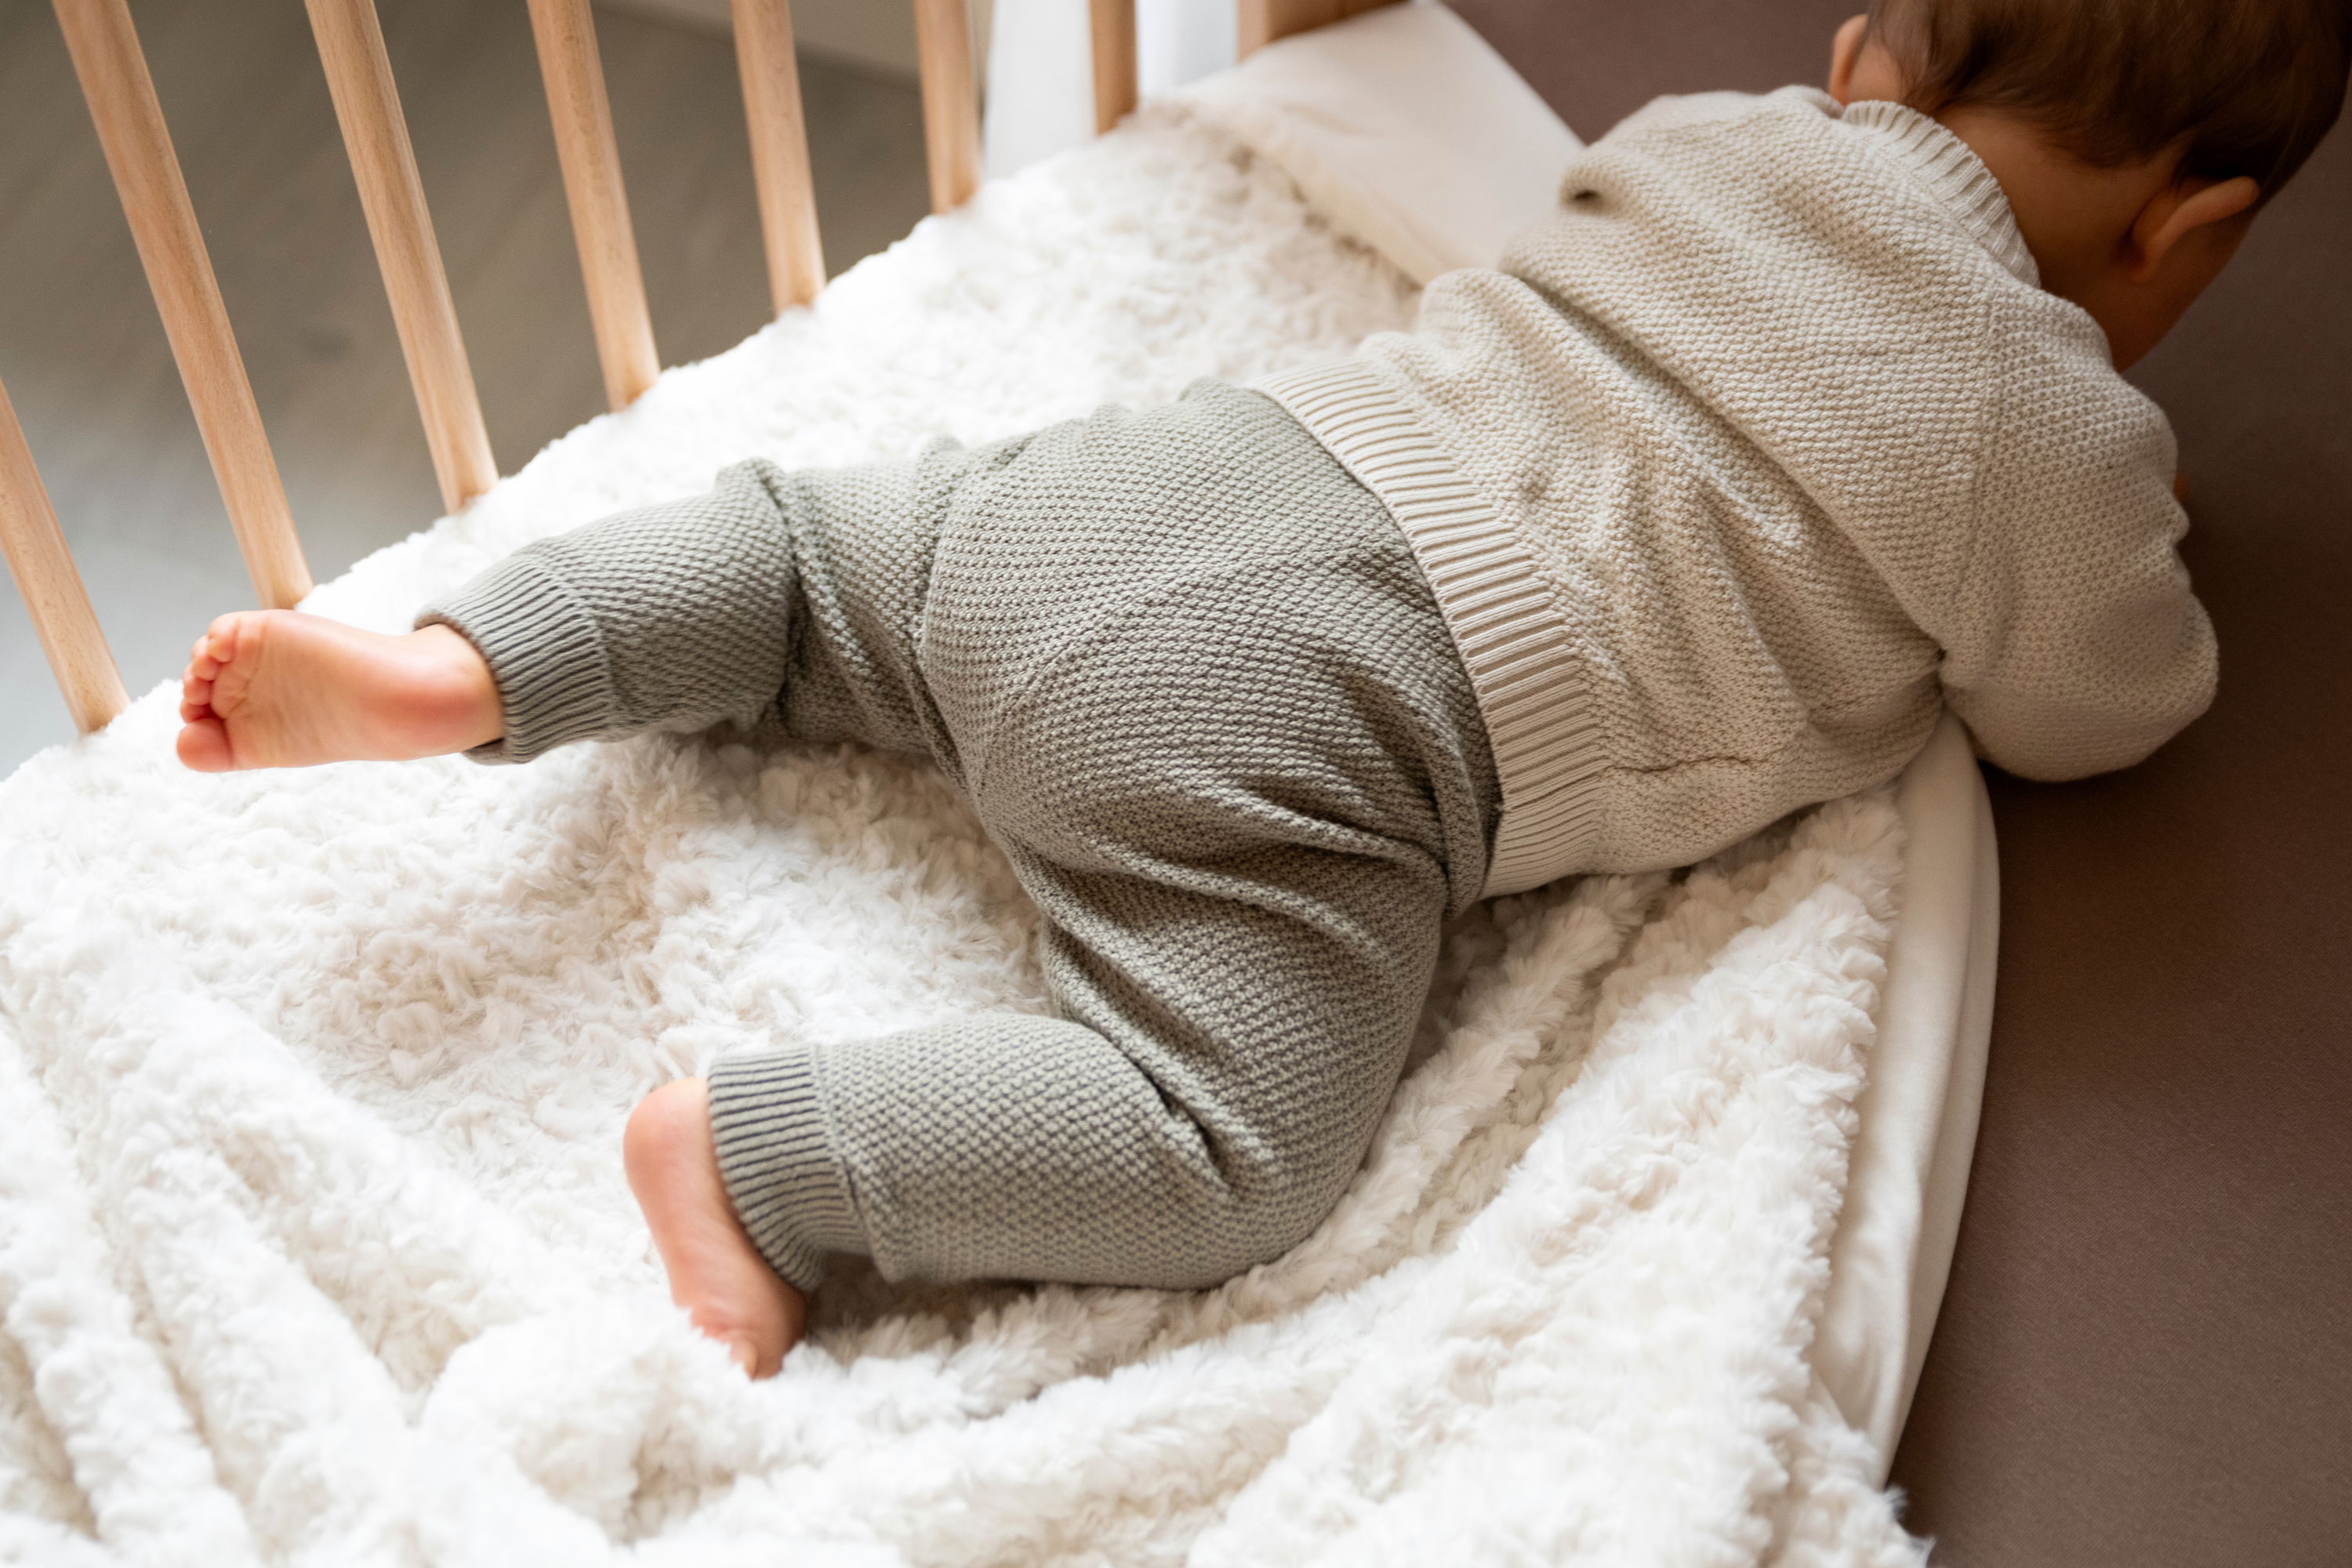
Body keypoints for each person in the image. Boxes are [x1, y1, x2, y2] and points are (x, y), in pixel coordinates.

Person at [171, 0, 2350, 1377]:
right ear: (2195, 229)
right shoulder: (2043, 437)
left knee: (824, 558)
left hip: (1187, 482)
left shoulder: (1716, 132)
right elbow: (2100, 705)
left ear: (1871, 55)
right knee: (1232, 1148)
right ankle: (756, 1165)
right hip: (1340, 725)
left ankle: (473, 664)